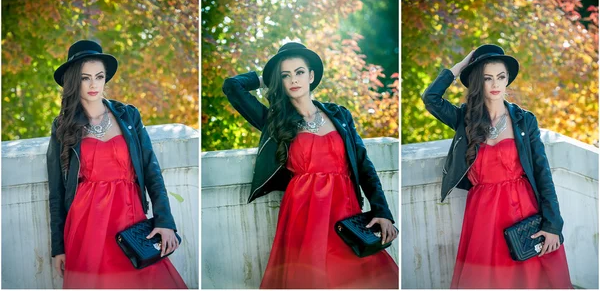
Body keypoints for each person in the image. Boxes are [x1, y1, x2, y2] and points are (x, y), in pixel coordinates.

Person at [222, 42, 399, 288]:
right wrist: (266, 79)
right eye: (286, 75)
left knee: (364, 275)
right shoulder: (275, 121)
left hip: (345, 209)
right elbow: (232, 86)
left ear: (311, 76)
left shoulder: (340, 115)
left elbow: (363, 164)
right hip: (304, 213)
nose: (294, 79)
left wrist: (382, 211)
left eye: (299, 72)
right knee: (311, 277)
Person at [421, 44, 572, 288]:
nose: (495, 85)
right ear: (477, 83)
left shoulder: (524, 120)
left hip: (523, 208)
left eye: (501, 77)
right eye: (487, 78)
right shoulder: (465, 118)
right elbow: (431, 98)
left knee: (531, 277)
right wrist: (461, 67)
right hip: (483, 213)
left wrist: (553, 225)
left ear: (507, 80)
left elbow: (543, 174)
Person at [47, 39, 187, 288]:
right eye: (84, 78)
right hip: (86, 223)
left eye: (99, 76)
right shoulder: (62, 126)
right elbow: (57, 192)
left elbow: (151, 170)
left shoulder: (128, 115)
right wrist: (58, 247)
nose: (93, 84)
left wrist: (164, 221)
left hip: (130, 216)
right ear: (73, 81)